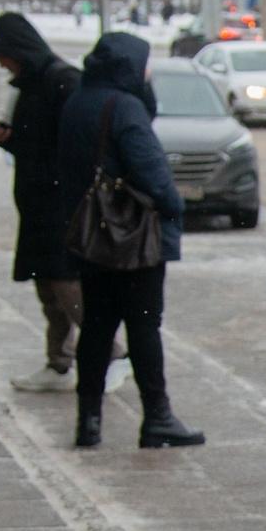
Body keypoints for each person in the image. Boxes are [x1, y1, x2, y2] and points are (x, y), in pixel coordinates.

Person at [55, 33, 203, 450]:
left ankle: (89, 420)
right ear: (130, 68)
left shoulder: (79, 101)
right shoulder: (125, 107)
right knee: (143, 327)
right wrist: (175, 207)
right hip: (132, 238)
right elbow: (154, 175)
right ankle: (157, 416)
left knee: (97, 328)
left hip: (91, 235)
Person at [0, 13, 84, 394]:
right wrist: (8, 139)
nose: (1, 64)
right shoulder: (31, 85)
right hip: (37, 204)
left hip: (59, 204)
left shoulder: (62, 81)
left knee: (65, 285)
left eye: (1, 56)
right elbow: (34, 143)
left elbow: (72, 144)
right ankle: (59, 364)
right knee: (48, 289)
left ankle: (111, 354)